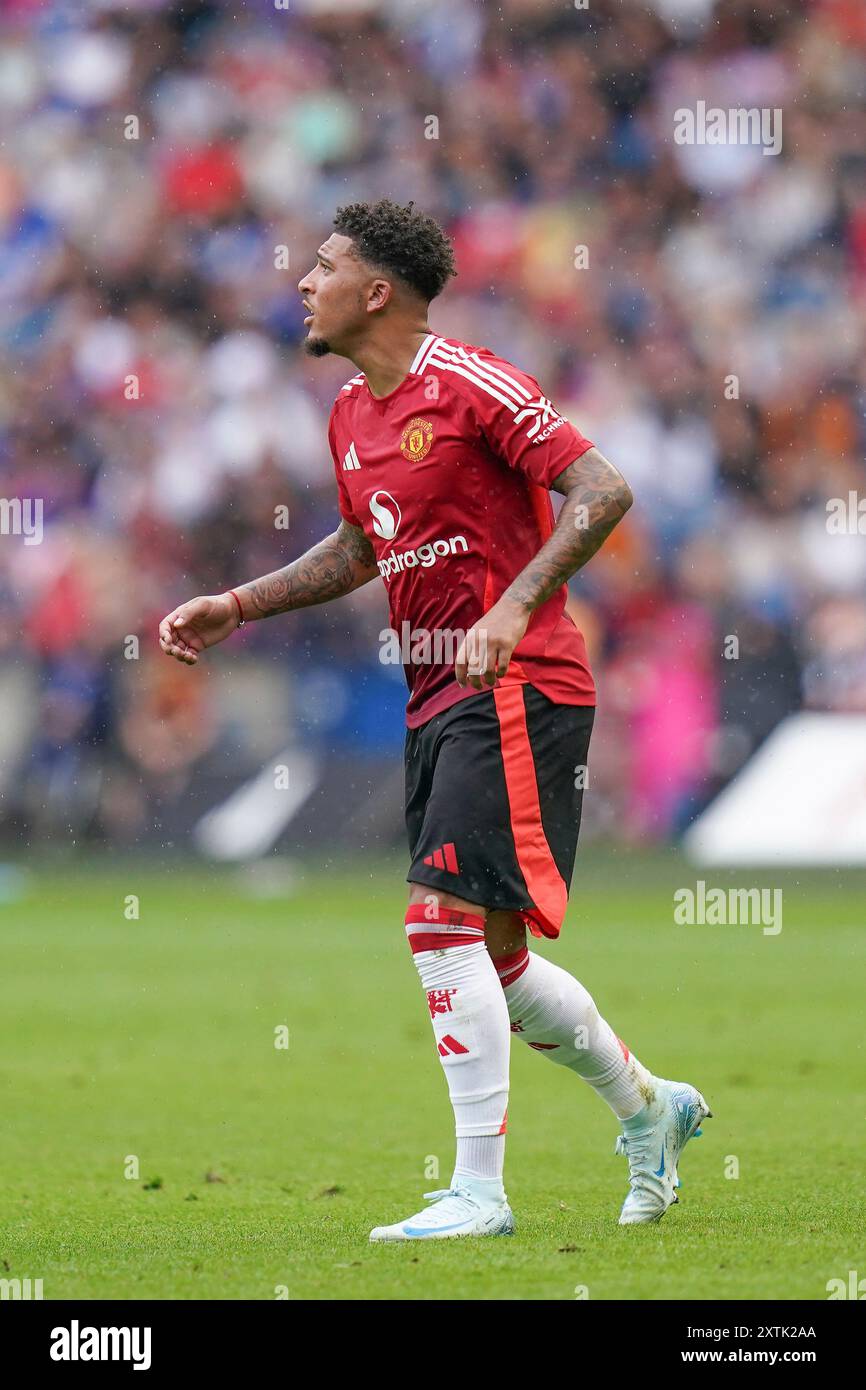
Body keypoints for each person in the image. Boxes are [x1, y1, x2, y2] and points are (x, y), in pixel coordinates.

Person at [159, 200, 711, 1241]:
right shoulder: (349, 415)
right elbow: (359, 550)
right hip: (437, 692)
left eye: (321, 267)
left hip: (518, 682)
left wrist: (510, 607)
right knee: (492, 957)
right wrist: (237, 604)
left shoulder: (471, 381)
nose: (301, 284)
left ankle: (478, 1193)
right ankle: (651, 1109)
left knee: (435, 922)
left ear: (376, 291)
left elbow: (601, 490)